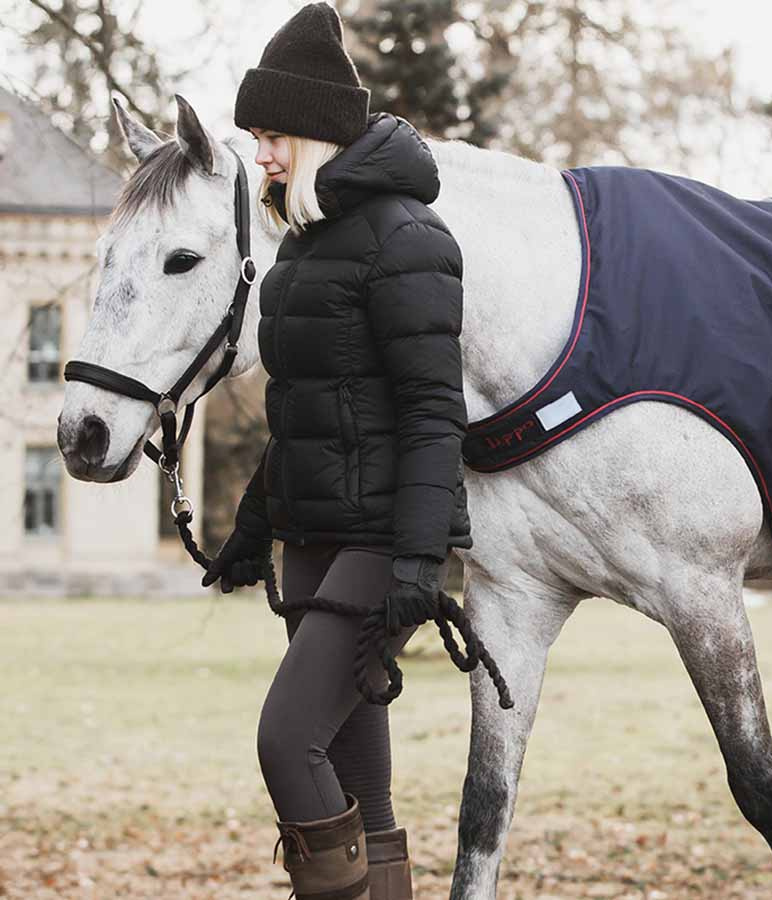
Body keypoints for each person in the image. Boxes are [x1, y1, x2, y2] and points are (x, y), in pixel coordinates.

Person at [202, 4, 472, 899]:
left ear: (320, 132)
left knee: (287, 741)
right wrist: (252, 526)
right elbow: (303, 413)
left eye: (274, 135)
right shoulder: (303, 246)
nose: (263, 155)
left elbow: (437, 411)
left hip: (380, 544)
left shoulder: (408, 238)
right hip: (313, 538)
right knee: (364, 791)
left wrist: (421, 560)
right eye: (255, 137)